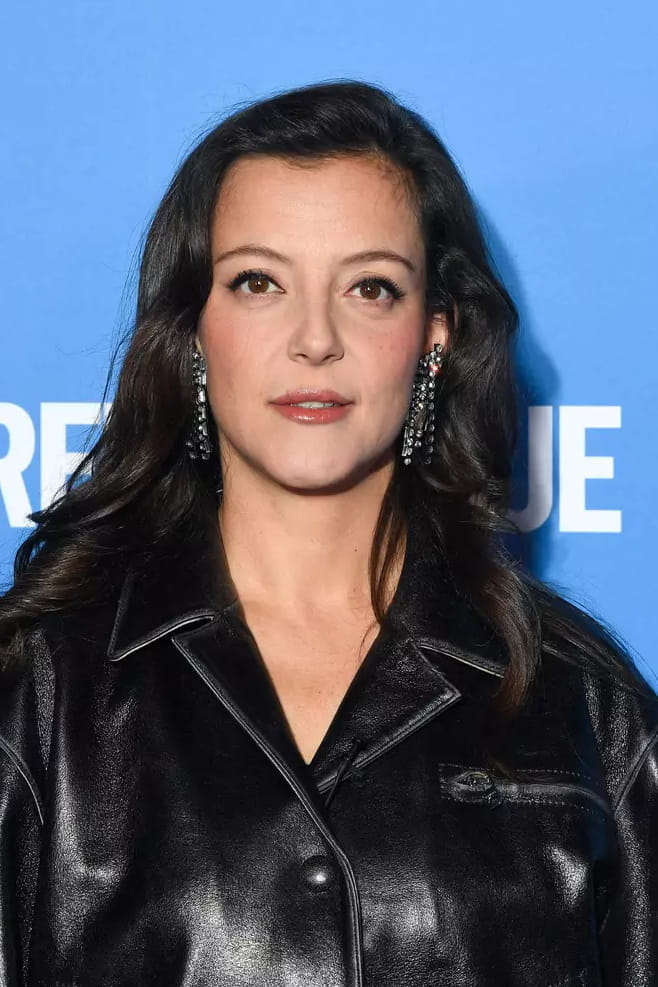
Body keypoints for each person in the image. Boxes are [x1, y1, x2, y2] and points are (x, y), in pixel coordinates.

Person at [0, 78, 656, 987]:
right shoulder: (37, 691)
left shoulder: (587, 704)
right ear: (194, 331)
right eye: (259, 282)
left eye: (370, 287)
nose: (316, 338)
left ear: (434, 337)